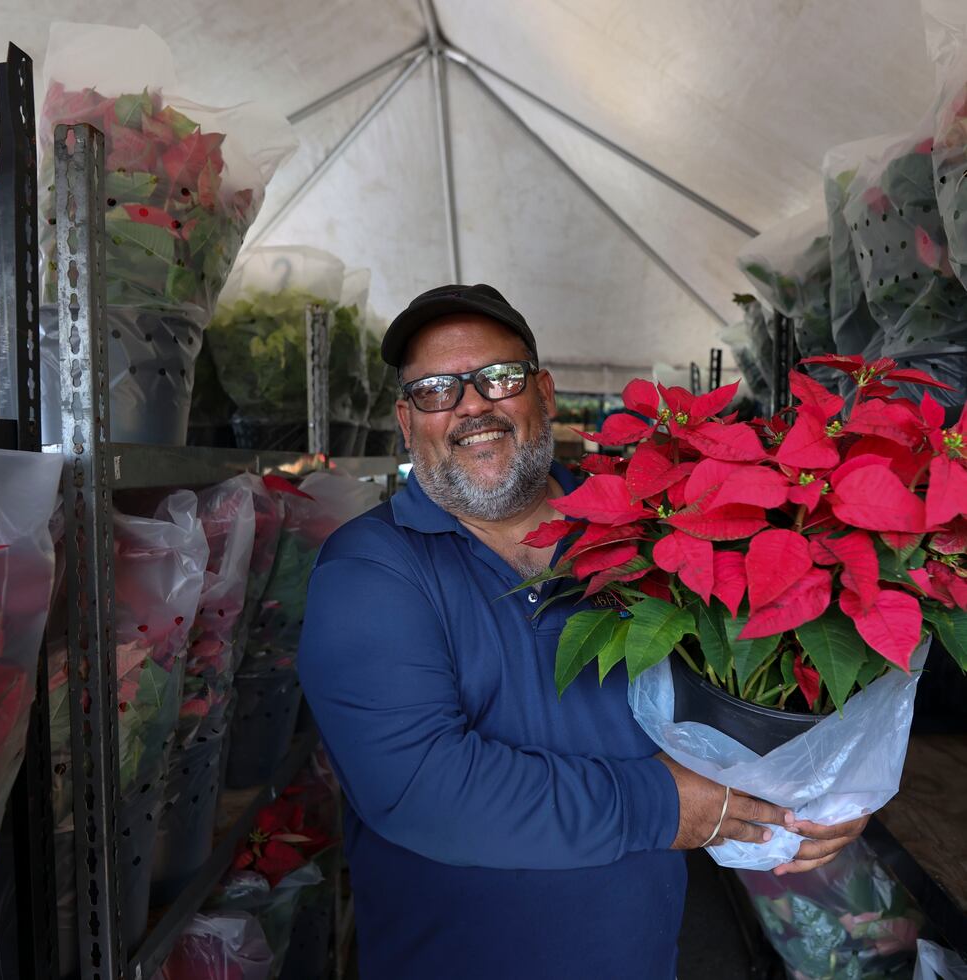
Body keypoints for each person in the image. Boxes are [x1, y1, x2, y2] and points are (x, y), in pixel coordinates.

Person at [298, 284, 868, 980]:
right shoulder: (369, 568)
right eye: (436, 390)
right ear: (406, 420)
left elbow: (744, 694)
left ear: (544, 392)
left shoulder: (646, 537)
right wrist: (667, 807)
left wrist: (819, 793)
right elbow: (420, 787)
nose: (471, 404)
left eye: (497, 379)